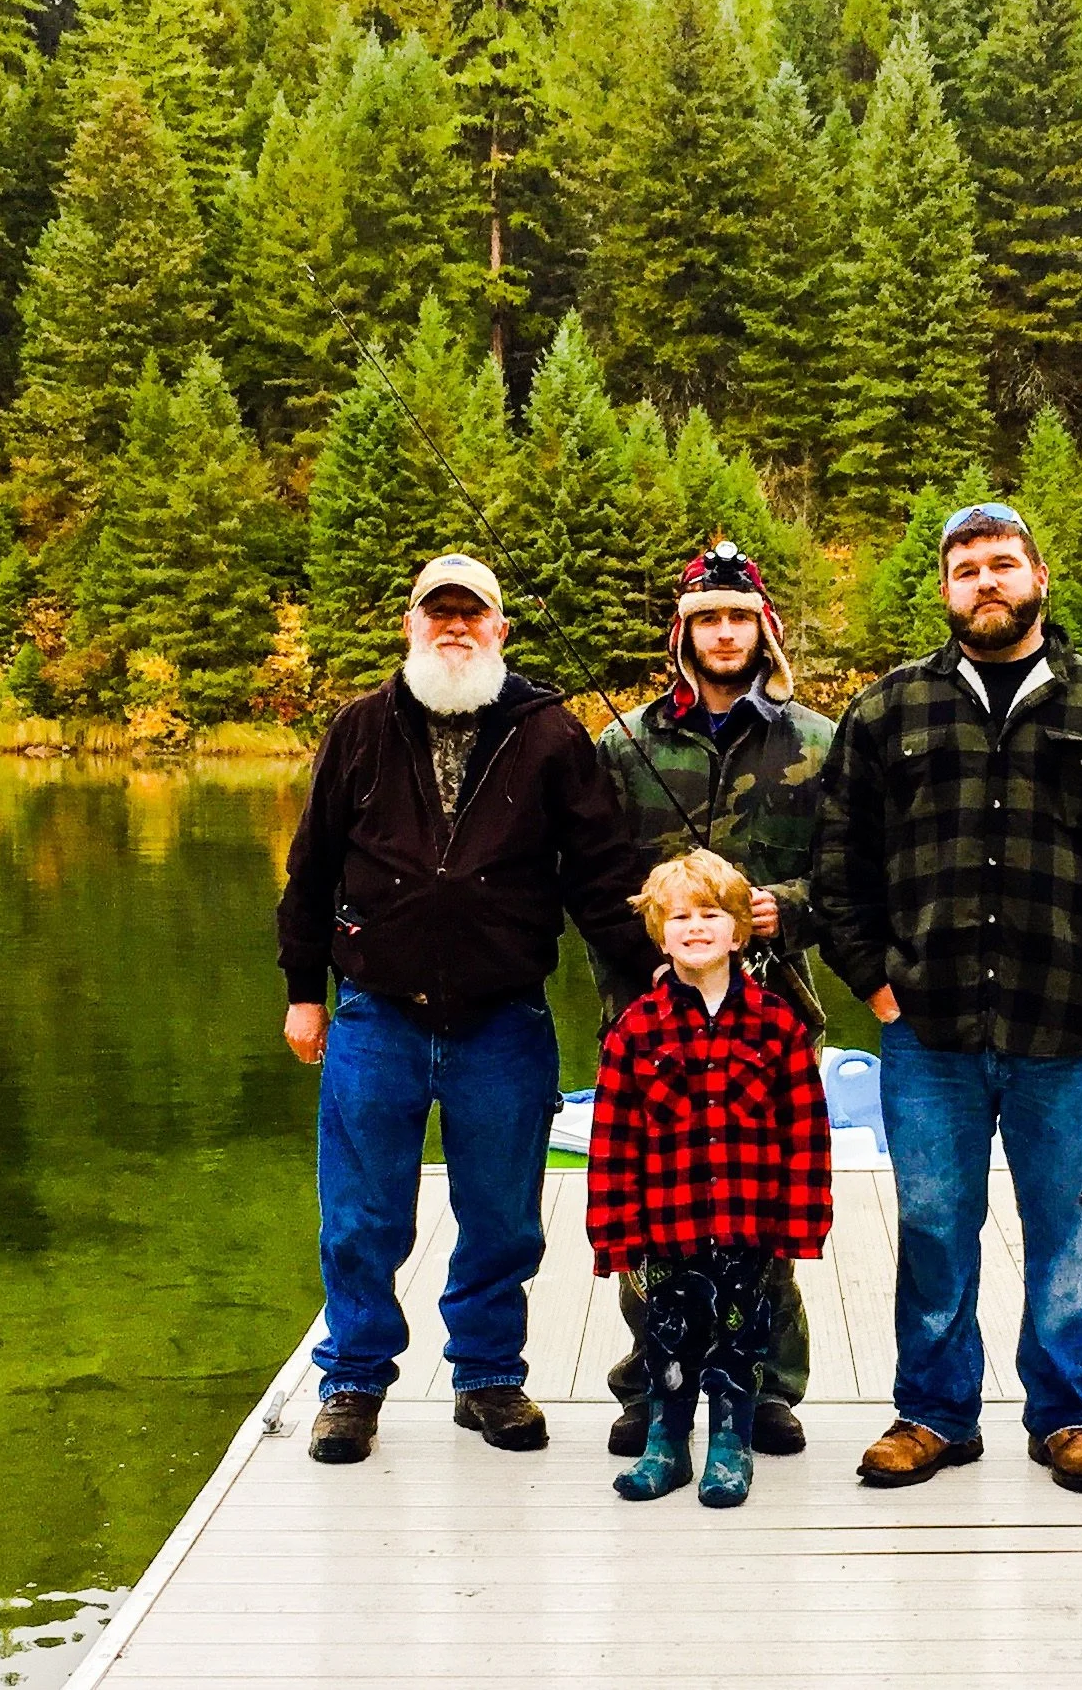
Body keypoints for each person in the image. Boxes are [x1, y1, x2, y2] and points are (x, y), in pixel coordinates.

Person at [812, 503, 1082, 1495]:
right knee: (935, 1223)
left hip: (1064, 1026)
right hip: (927, 1027)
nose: (986, 579)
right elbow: (838, 860)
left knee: (1070, 1224)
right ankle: (933, 1413)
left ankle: (1069, 1415)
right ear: (944, 589)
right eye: (966, 566)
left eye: (1003, 562)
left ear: (1038, 576)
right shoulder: (887, 711)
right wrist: (873, 982)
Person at [275, 552, 660, 1466]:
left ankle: (487, 1373)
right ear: (409, 626)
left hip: (503, 1018)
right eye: (435, 613)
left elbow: (603, 878)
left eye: (471, 614)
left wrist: (659, 985)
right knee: (362, 1217)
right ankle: (354, 1380)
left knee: (502, 1216)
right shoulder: (361, 727)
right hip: (376, 1013)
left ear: (500, 629)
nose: (453, 627)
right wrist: (302, 992)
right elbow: (312, 864)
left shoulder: (551, 733)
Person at [594, 540, 836, 1459]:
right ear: (682, 632)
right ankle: (655, 1380)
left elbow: (852, 873)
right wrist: (645, 956)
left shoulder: (817, 740)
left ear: (762, 626)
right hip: (649, 1018)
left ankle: (767, 1385)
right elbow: (594, 881)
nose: (724, 632)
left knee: (759, 1205)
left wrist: (794, 910)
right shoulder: (623, 746)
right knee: (656, 1212)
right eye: (707, 618)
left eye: (739, 616)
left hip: (774, 1017)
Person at [587, 850, 833, 1509]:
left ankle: (731, 1445)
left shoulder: (777, 1026)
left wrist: (801, 1223)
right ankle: (666, 1446)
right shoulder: (634, 1031)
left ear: (739, 929)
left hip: (747, 1225)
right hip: (666, 1230)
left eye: (712, 914)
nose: (696, 927)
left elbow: (806, 1133)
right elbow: (612, 1143)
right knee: (665, 1341)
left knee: (740, 1338)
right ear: (659, 931)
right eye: (681, 917)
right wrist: (614, 1236)